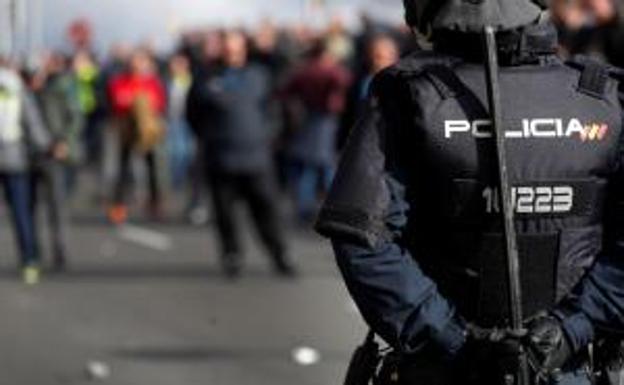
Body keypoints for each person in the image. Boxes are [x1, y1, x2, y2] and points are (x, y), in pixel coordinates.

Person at [315, 1, 624, 384]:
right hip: (564, 367)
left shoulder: (406, 92)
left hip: (444, 369)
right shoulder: (606, 95)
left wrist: (451, 338)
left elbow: (360, 234)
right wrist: (570, 329)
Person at [186, 30, 296, 278]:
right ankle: (232, 255)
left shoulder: (259, 75)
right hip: (220, 158)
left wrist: (266, 135)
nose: (231, 52)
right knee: (224, 212)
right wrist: (211, 136)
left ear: (244, 49)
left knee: (266, 210)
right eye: (227, 48)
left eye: (236, 48)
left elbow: (275, 110)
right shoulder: (204, 78)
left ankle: (280, 254)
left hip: (256, 158)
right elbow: (192, 114)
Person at [281, 40, 351, 223]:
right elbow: (343, 83)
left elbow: (285, 92)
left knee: (310, 168)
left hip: (310, 118)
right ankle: (338, 205)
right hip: (324, 120)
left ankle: (307, 208)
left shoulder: (304, 71)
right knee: (324, 167)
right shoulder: (332, 71)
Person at [31, 52, 85, 270]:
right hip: (36, 151)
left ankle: (60, 250)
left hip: (55, 151)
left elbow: (75, 117)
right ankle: (34, 251)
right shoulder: (38, 85)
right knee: (33, 206)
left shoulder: (64, 86)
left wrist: (64, 142)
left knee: (56, 205)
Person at [0, 61, 51, 284]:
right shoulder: (17, 89)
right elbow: (34, 126)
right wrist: (48, 147)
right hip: (15, 160)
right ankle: (29, 260)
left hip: (12, 159)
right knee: (21, 213)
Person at [107, 49, 166, 224]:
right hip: (127, 130)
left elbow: (159, 103)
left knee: (153, 167)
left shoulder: (152, 82)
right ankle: (118, 205)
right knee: (123, 168)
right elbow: (117, 100)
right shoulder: (120, 82)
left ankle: (155, 203)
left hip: (147, 131)